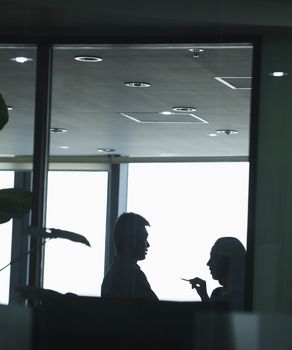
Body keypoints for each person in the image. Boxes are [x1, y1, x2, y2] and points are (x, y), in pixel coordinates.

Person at [101, 212, 158, 300]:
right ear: (132, 241)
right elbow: (159, 311)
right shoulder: (132, 276)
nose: (148, 244)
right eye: (144, 238)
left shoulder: (111, 275)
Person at [188, 237, 246, 310]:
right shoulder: (217, 293)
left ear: (227, 260)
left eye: (214, 257)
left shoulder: (240, 298)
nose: (208, 263)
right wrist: (204, 295)